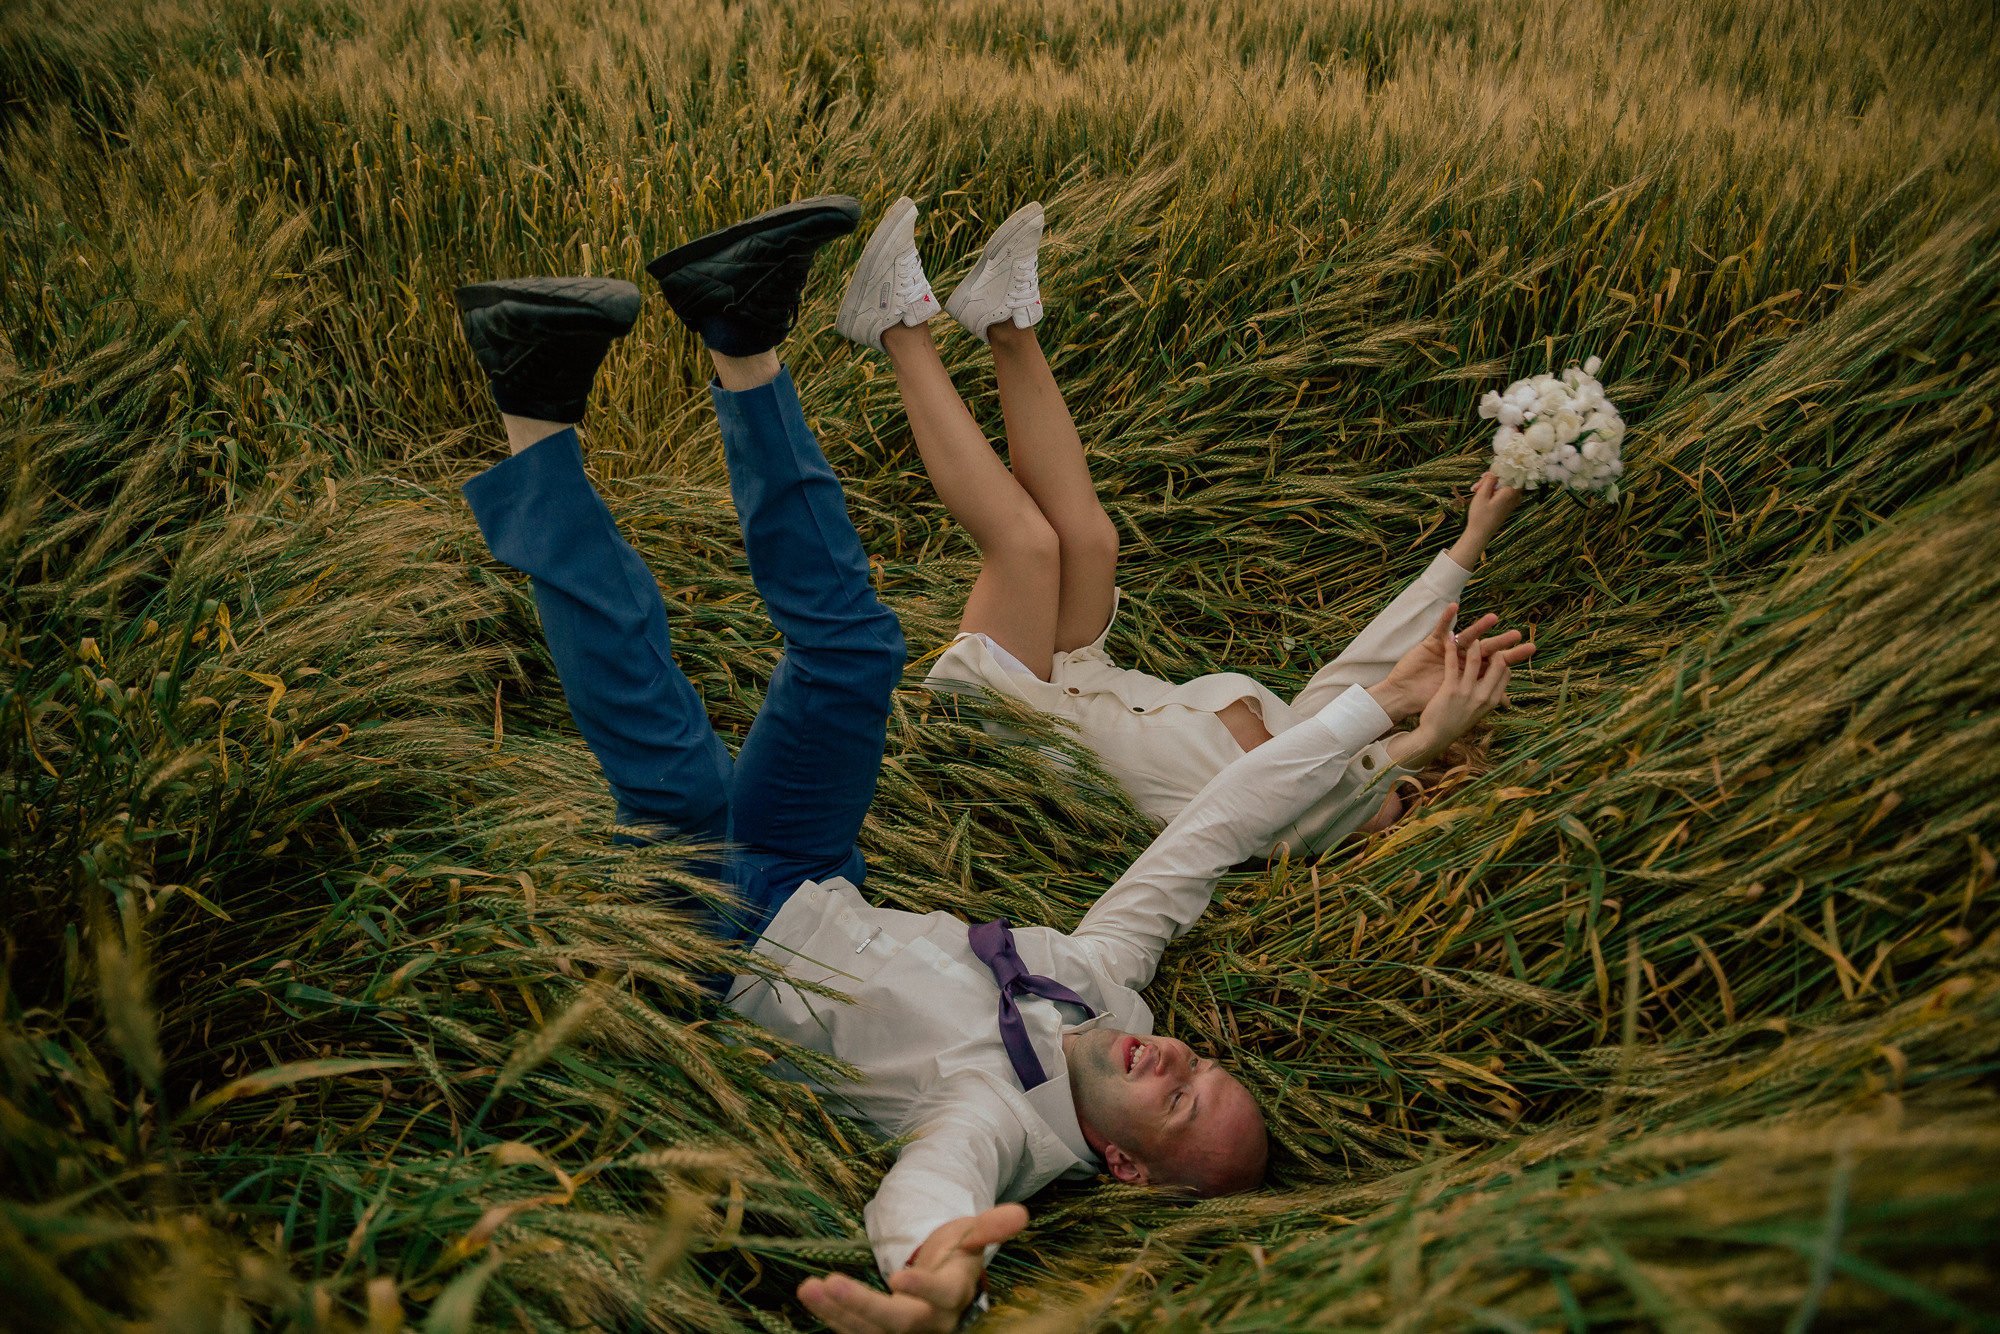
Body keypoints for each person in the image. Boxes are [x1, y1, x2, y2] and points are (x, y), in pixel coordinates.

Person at [451, 195, 1524, 1334]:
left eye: (1177, 1102)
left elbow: (934, 1192)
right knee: (854, 651)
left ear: (1121, 1163)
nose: (1175, 1059)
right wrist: (1377, 707)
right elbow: (1215, 828)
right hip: (815, 867)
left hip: (717, 931)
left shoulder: (1000, 1123)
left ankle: (534, 408)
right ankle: (740, 335)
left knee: (665, 750)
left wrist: (934, 1277)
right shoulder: (1107, 985)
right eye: (1203, 1067)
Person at [843, 197, 1535, 859]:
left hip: (1017, 728)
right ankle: (1005, 323)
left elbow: (1285, 797)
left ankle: (898, 329)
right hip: (1077, 677)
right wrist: (1469, 543)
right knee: (1090, 542)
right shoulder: (1326, 738)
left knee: (1028, 547)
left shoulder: (1306, 822)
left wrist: (1415, 742)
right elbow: (1366, 667)